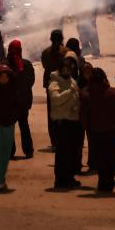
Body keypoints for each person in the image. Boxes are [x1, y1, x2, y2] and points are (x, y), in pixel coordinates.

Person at [80, 68, 115, 193]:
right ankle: (109, 182)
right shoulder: (112, 93)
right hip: (110, 130)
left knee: (100, 158)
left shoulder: (86, 94)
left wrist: (86, 127)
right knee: (109, 156)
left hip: (94, 131)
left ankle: (103, 182)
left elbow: (83, 114)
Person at [48, 53, 82, 189]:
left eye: (69, 69)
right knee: (63, 153)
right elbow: (56, 99)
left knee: (72, 153)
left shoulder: (72, 81)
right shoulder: (54, 83)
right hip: (62, 123)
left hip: (73, 122)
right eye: (64, 69)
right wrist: (69, 92)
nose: (67, 71)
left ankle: (69, 178)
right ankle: (61, 180)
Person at [3, 39, 35, 159]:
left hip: (9, 101)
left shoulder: (4, 65)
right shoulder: (27, 64)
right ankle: (28, 150)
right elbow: (31, 81)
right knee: (24, 125)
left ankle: (10, 151)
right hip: (23, 101)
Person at [40, 30, 67, 146]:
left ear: (51, 39)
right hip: (64, 84)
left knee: (52, 113)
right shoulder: (67, 52)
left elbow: (44, 66)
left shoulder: (45, 52)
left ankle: (54, 141)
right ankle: (63, 138)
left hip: (51, 84)